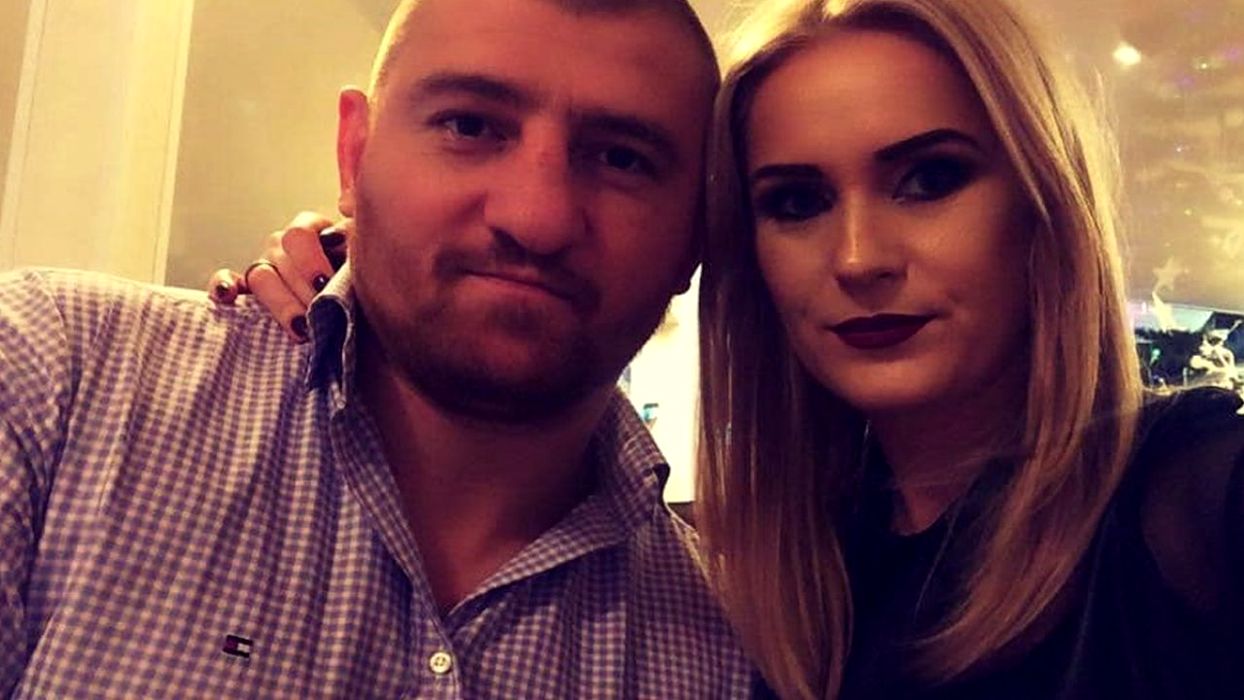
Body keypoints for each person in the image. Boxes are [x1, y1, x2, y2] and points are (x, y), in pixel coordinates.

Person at [231, 0, 1244, 698]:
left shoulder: (1191, 498)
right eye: (795, 202)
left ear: (1042, 201)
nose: (858, 258)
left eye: (929, 179)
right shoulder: (776, 592)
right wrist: (376, 264)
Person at [0, 0, 755, 696]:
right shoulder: (53, 375)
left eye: (623, 159)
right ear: (353, 153)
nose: (537, 218)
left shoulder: (740, 653)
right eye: (469, 125)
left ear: (698, 233)